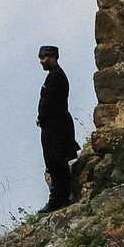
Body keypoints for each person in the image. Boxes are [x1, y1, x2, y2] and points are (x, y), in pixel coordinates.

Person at [37, 45, 79, 211]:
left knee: (57, 160)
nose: (41, 62)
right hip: (52, 125)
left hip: (57, 126)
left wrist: (43, 116)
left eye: (44, 58)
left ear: (53, 57)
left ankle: (57, 199)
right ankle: (57, 197)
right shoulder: (53, 76)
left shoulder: (57, 77)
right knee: (53, 160)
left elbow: (51, 102)